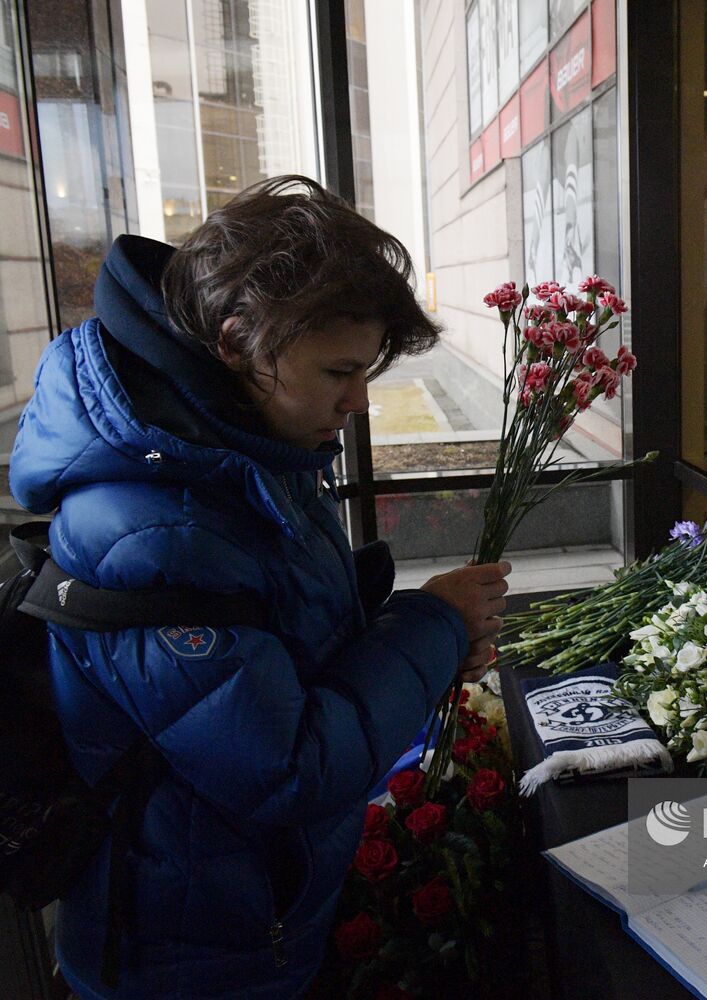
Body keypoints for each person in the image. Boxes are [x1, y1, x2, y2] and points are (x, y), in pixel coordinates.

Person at [9, 176, 511, 999]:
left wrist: (411, 639)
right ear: (239, 342)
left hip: (244, 922)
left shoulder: (234, 457)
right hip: (186, 963)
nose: (357, 404)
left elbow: (282, 654)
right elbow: (287, 768)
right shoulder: (153, 525)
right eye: (339, 372)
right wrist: (431, 627)